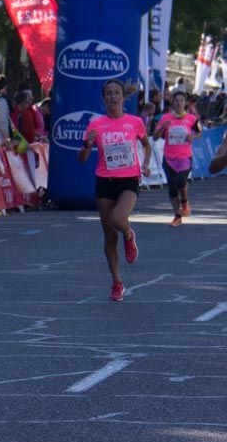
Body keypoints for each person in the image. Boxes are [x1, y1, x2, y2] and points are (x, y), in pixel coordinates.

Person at [78, 79, 152, 302]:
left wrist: (146, 163)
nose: (112, 97)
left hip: (129, 179)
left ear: (123, 96)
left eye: (116, 93)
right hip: (105, 181)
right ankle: (117, 282)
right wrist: (87, 146)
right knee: (110, 236)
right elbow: (82, 159)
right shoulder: (95, 125)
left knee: (119, 219)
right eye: (108, 93)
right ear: (104, 98)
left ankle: (129, 235)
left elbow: (147, 145)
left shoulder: (135, 122)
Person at [153, 90, 201, 226]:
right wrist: (162, 127)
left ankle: (184, 201)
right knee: (172, 188)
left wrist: (193, 136)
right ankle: (177, 216)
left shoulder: (192, 118)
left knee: (180, 180)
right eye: (176, 100)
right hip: (169, 158)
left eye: (181, 100)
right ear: (172, 103)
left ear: (185, 103)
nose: (179, 103)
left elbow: (200, 132)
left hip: (185, 158)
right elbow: (155, 137)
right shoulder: (165, 118)